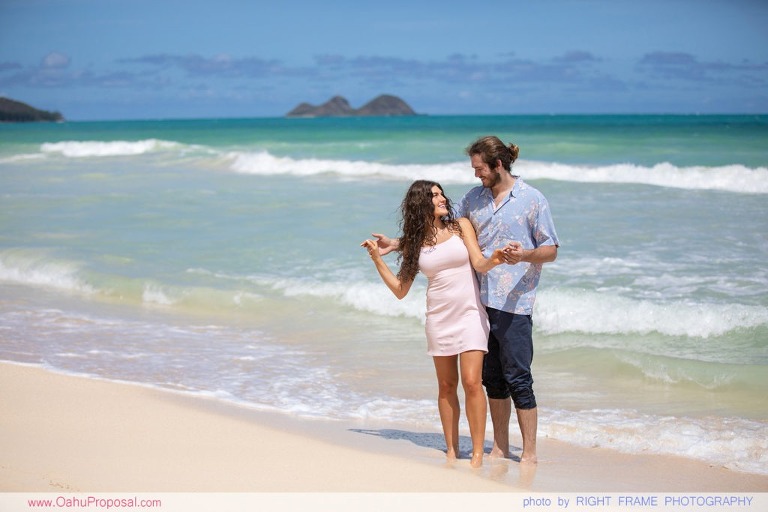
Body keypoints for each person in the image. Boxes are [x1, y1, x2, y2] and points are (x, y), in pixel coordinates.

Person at [373, 136, 559, 464]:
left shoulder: (532, 200)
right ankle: (498, 447)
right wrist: (398, 244)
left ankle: (528, 452)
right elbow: (433, 229)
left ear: (497, 164)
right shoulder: (473, 199)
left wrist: (522, 256)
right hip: (480, 300)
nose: (476, 175)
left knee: (517, 375)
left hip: (515, 302)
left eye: (479, 168)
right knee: (491, 380)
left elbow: (551, 250)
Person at [361, 180, 506, 468]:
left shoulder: (460, 226)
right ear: (421, 203)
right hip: (439, 317)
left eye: (441, 193)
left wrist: (494, 260)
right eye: (434, 195)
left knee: (472, 382)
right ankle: (452, 451)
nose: (441, 198)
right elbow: (401, 289)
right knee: (446, 385)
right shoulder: (415, 244)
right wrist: (377, 258)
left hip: (469, 314)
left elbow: (478, 262)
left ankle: (477, 453)